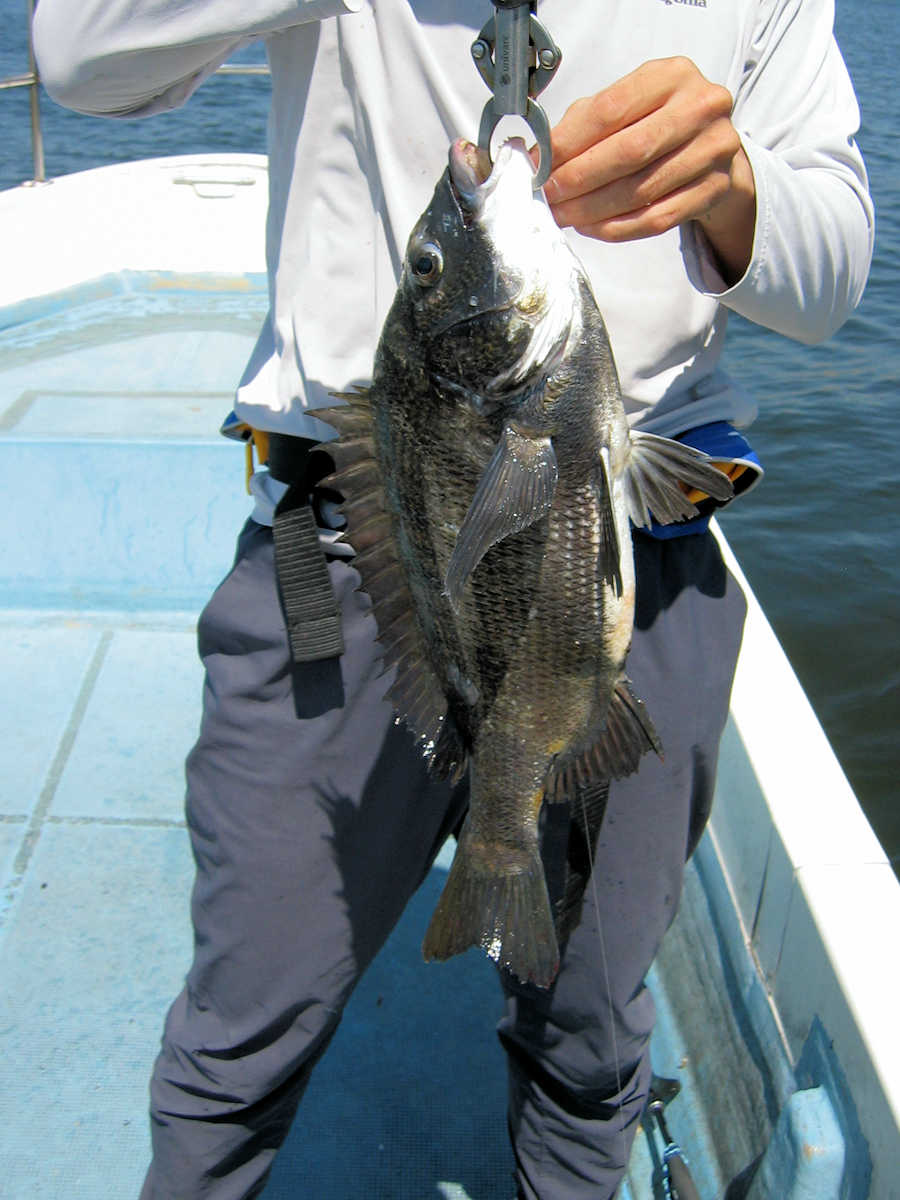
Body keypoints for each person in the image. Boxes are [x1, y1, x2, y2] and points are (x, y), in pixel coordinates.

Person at [33, 3, 873, 1198]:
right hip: (348, 554)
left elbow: (834, 269)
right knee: (240, 1039)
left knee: (591, 1046)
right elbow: (79, 54)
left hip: (630, 566)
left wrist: (734, 186)